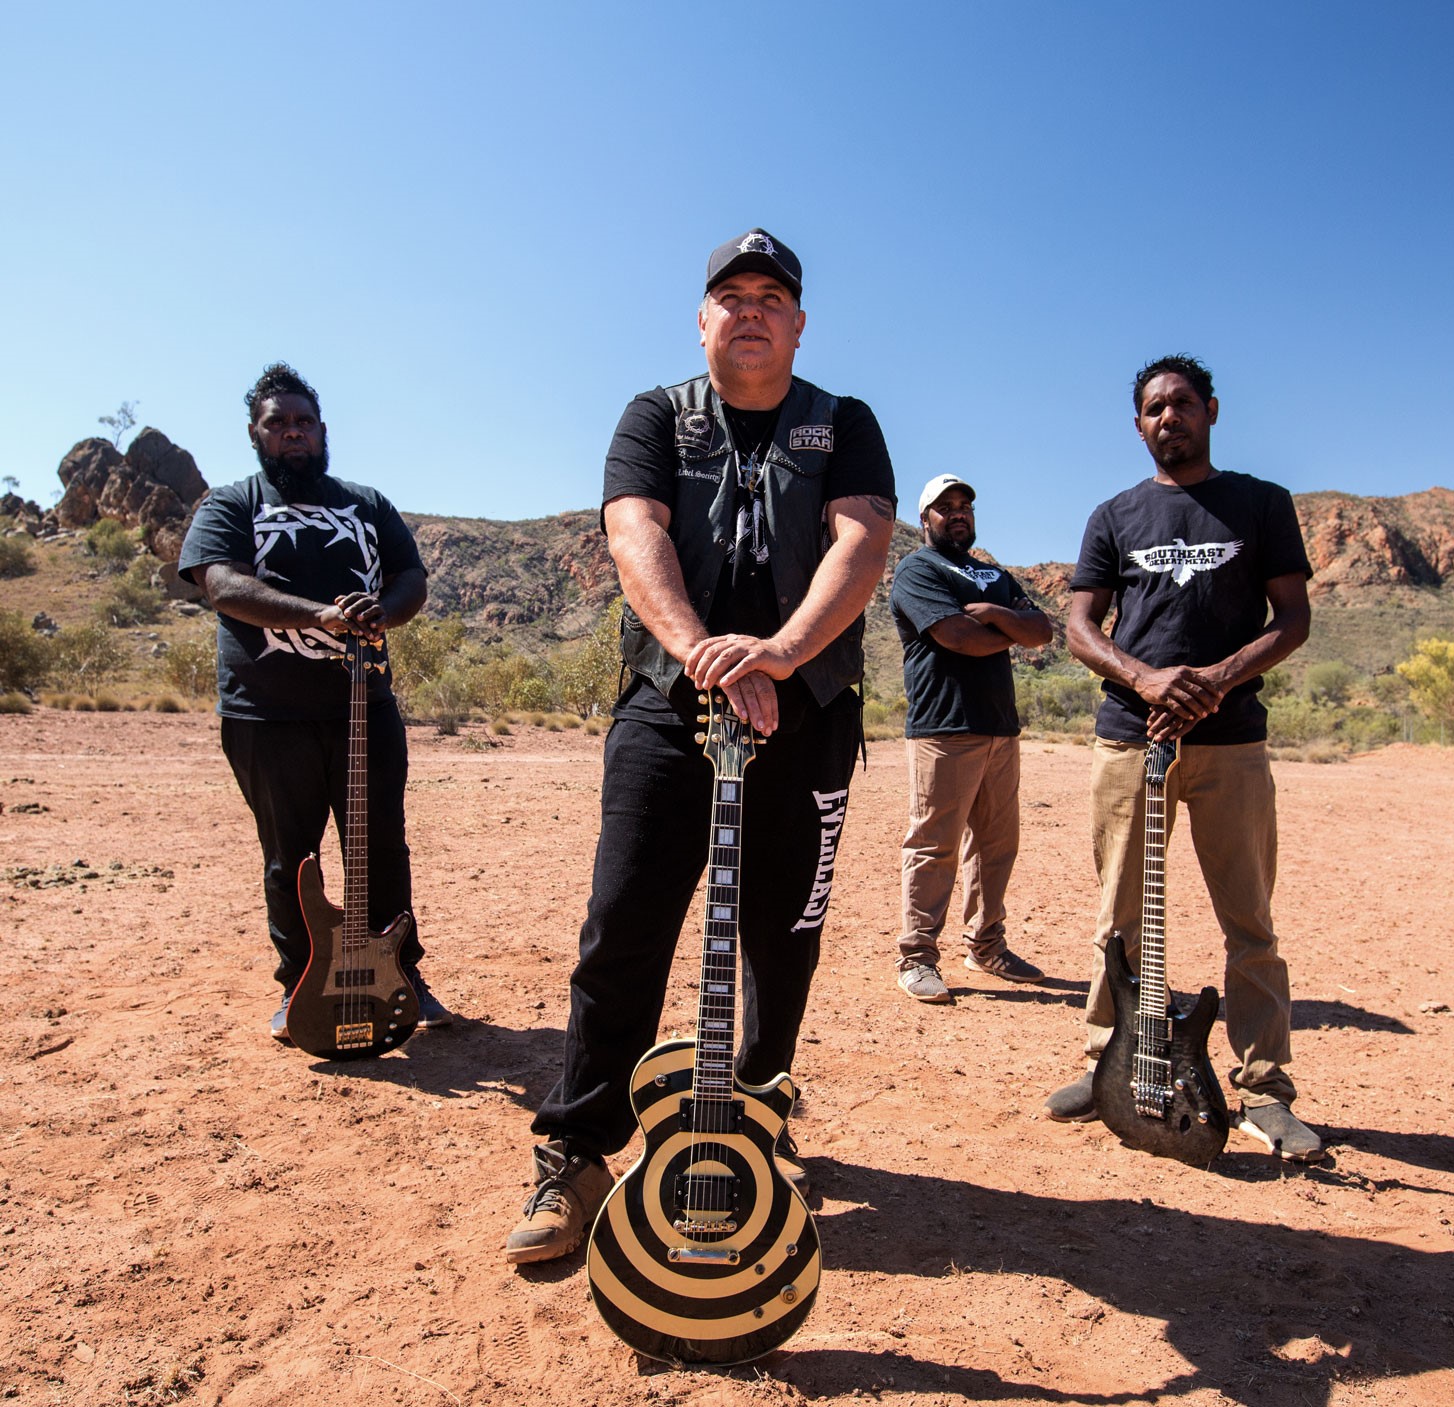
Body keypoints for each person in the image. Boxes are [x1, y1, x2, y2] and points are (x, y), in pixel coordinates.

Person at [505, 229, 896, 1263]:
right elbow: (637, 534)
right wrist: (711, 659)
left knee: (780, 940)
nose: (754, 309)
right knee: (624, 925)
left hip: (806, 713)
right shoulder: (656, 417)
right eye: (733, 295)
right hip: (666, 707)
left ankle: (752, 1134)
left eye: (774, 295)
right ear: (704, 318)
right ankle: (579, 1153)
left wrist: (779, 654)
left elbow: (860, 544)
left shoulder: (845, 425)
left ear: (800, 323)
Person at [1043, 354, 1323, 1162]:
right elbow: (1081, 626)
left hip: (1232, 745)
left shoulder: (1260, 504)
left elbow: (1292, 617)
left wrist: (1216, 680)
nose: (1170, 417)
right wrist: (1148, 678)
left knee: (1251, 922)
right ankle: (1107, 1065)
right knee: (1118, 917)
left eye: (1183, 404)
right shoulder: (1115, 515)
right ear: (1139, 425)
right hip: (1132, 741)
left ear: (1211, 411)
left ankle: (1266, 1091)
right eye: (1155, 408)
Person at [178, 363, 451, 1042]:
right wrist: (319, 616)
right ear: (255, 434)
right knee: (291, 857)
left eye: (304, 422)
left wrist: (381, 612)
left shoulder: (365, 503)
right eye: (278, 424)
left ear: (322, 430)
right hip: (266, 714)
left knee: (382, 846)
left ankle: (403, 978)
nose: (293, 434)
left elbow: (411, 577)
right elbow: (220, 583)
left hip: (365, 705)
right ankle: (300, 985)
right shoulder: (231, 503)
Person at [889, 473, 1052, 1003]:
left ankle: (987, 944)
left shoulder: (994, 576)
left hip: (999, 727)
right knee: (934, 846)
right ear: (925, 519)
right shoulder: (918, 570)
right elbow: (958, 638)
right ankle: (916, 957)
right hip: (945, 727)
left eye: (965, 506)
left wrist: (997, 614)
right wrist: (1009, 629)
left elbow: (1043, 631)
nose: (958, 513)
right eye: (945, 507)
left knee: (996, 844)